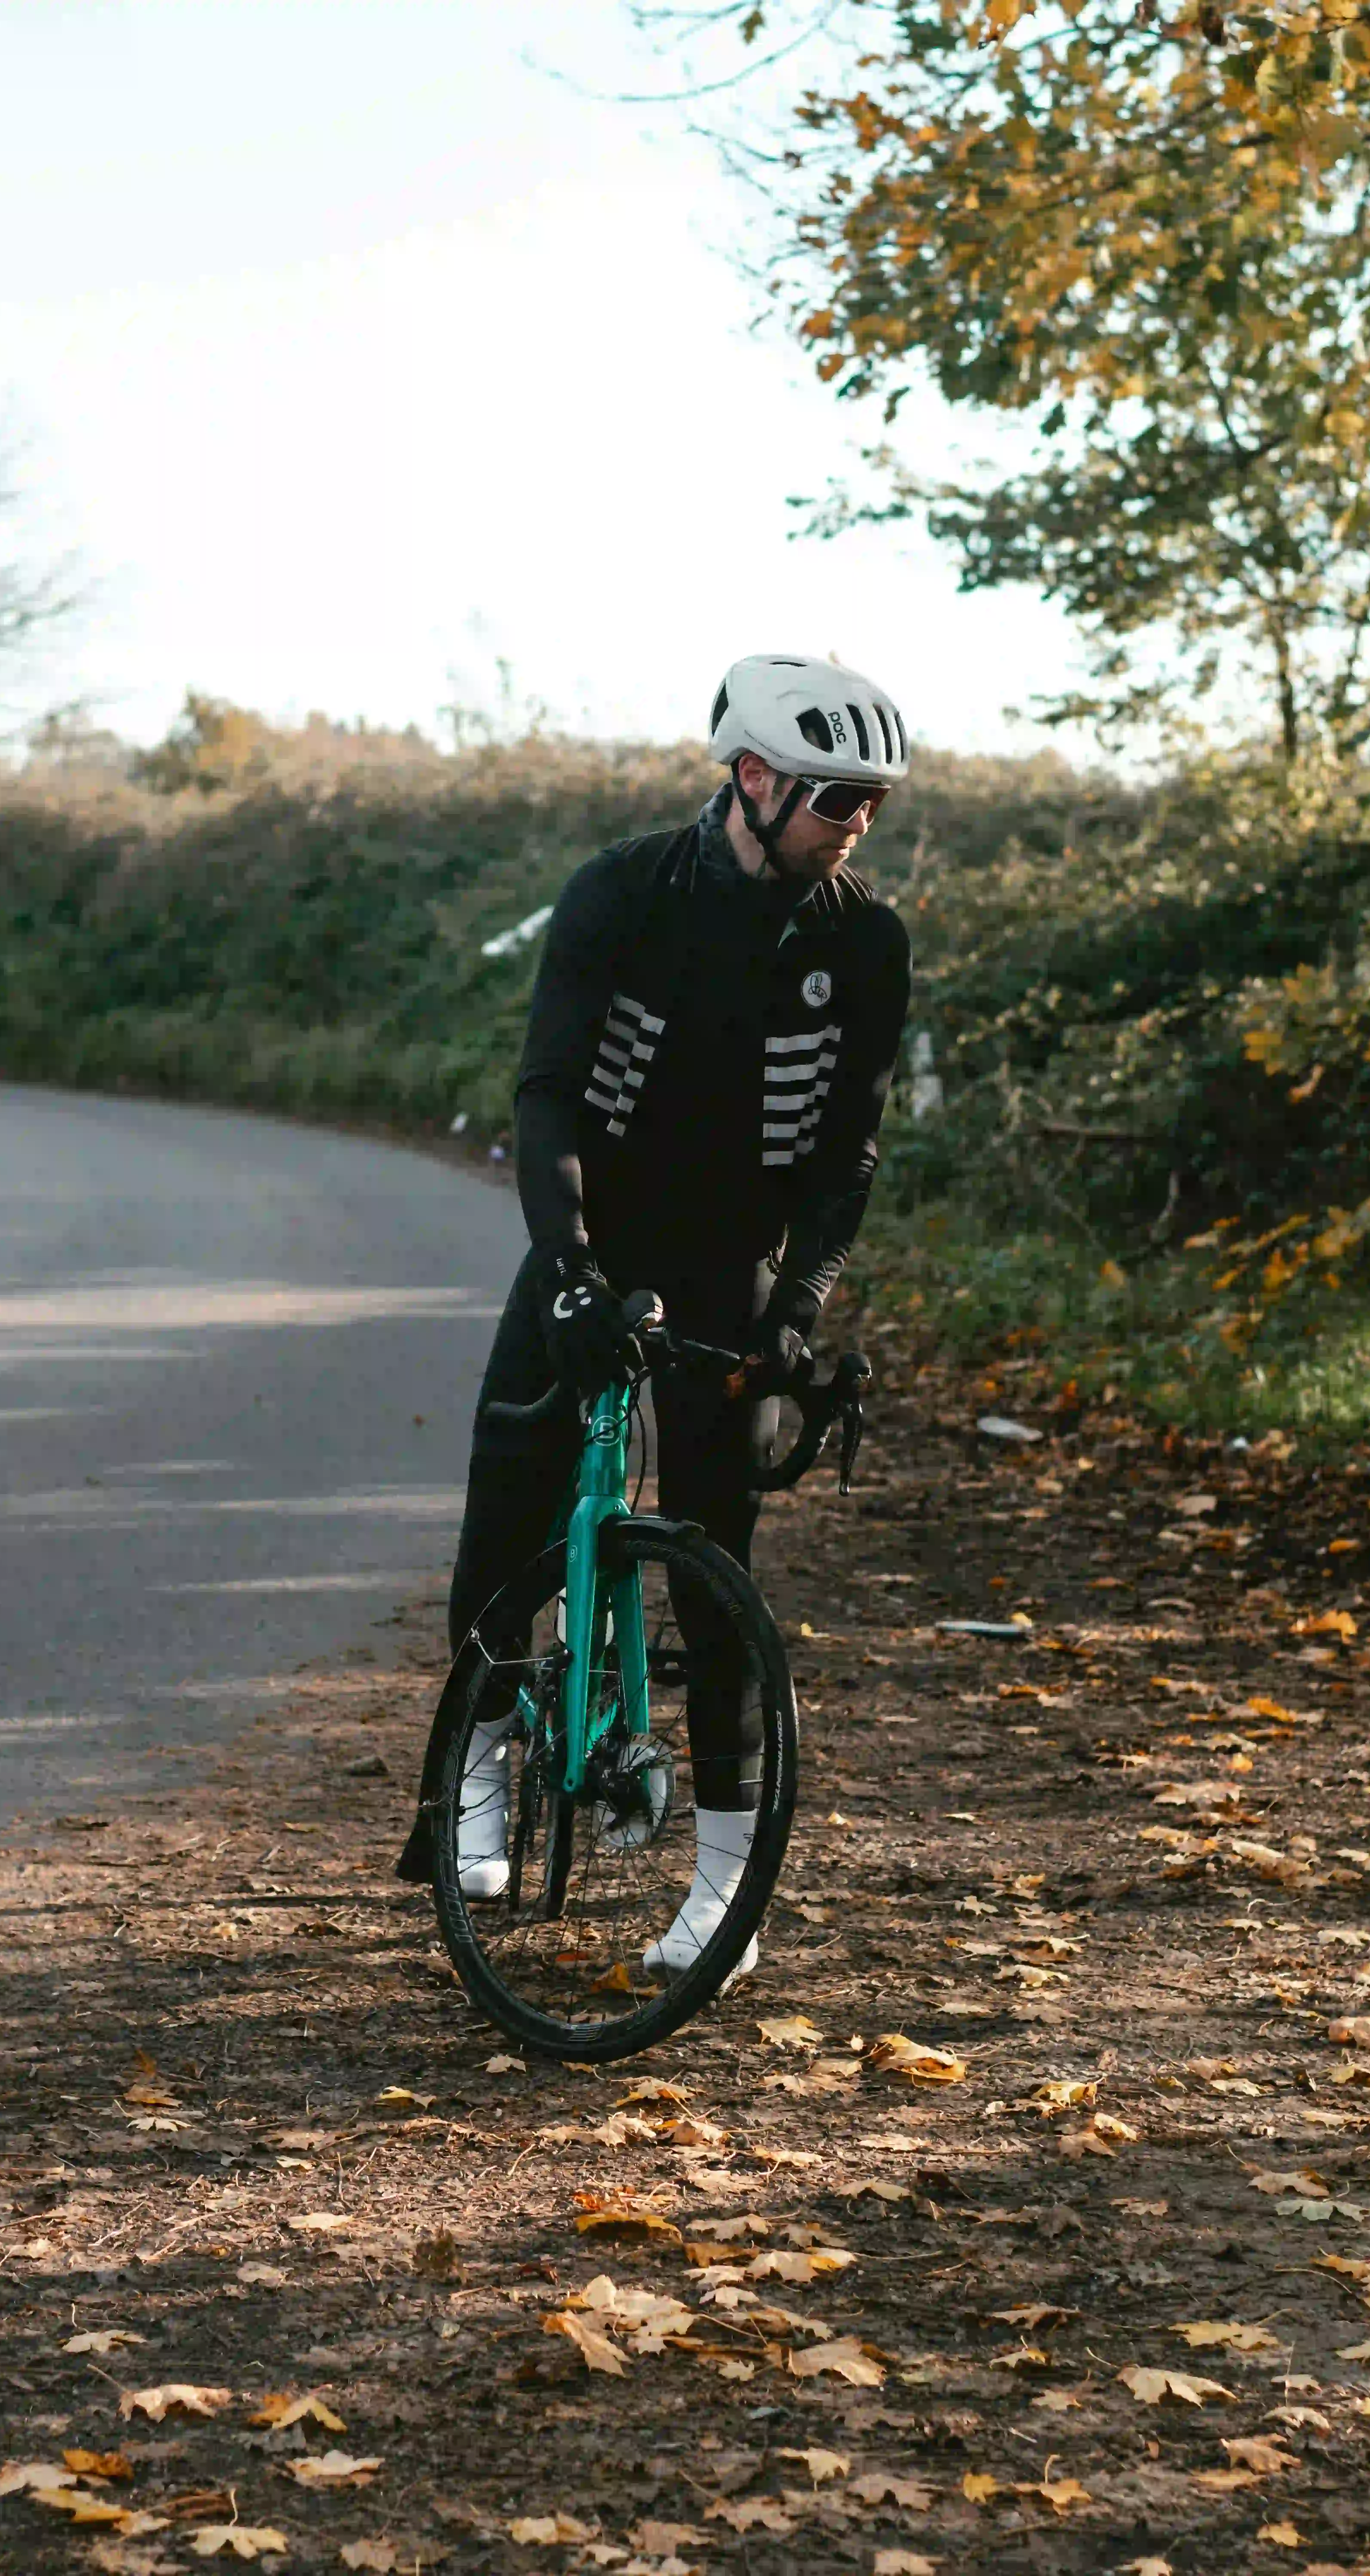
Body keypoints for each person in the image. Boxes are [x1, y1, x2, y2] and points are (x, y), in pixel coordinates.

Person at [398, 654, 912, 1976]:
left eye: (874, 800)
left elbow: (848, 1153)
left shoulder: (865, 942)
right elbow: (548, 1096)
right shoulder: (621, 893)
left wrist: (801, 1304)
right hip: (596, 1240)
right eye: (835, 795)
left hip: (734, 1262)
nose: (857, 819)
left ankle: (727, 1897)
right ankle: (479, 1776)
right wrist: (570, 1271)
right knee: (507, 1508)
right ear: (752, 779)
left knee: (715, 1561)